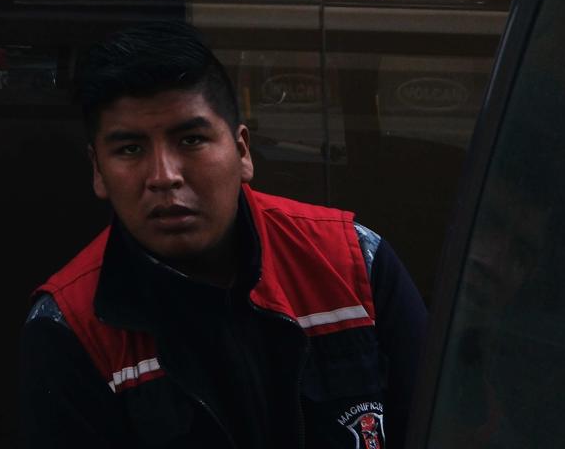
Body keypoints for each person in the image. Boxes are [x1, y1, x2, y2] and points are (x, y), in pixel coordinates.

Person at [21, 23, 426, 448]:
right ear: (97, 171)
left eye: (192, 139)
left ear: (243, 151)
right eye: (130, 149)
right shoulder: (69, 328)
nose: (164, 177)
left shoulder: (353, 262)